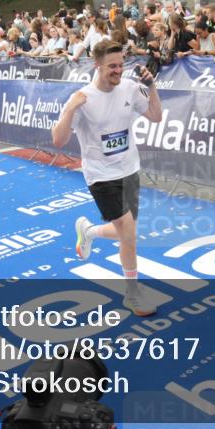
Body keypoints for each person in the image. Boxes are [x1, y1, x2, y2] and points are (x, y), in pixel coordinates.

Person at [51, 40, 163, 317]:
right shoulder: (82, 98)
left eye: (121, 64)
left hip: (129, 168)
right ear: (97, 65)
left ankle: (89, 232)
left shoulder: (128, 87)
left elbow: (156, 117)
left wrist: (152, 87)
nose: (118, 70)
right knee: (129, 233)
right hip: (100, 175)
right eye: (112, 66)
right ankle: (132, 294)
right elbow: (58, 140)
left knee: (127, 232)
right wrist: (69, 110)